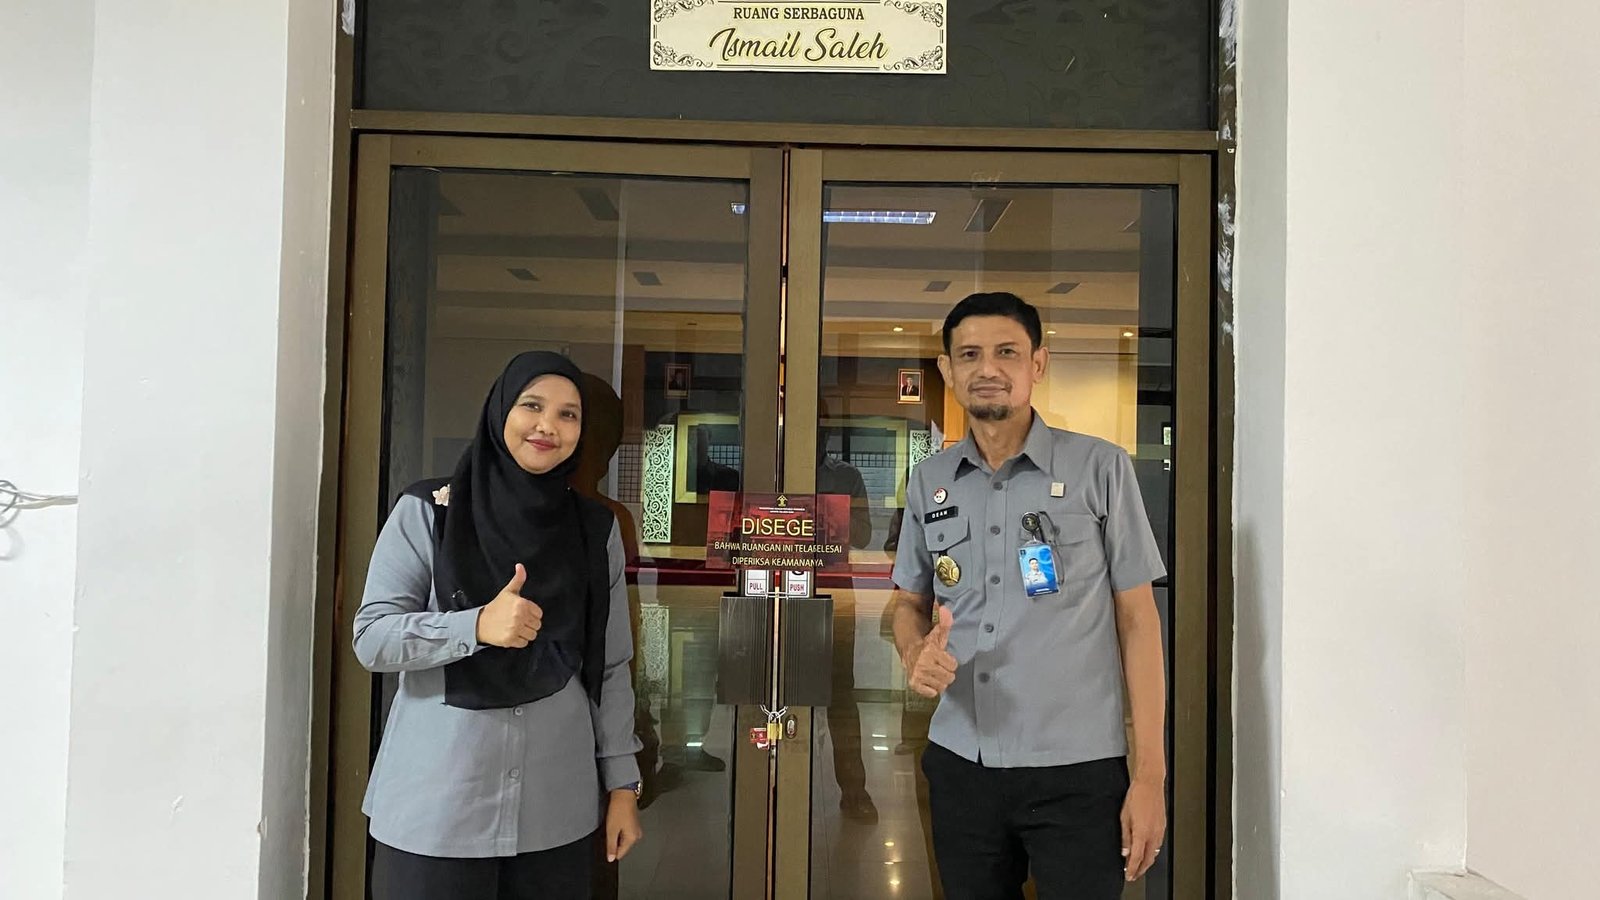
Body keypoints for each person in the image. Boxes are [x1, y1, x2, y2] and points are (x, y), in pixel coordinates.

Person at [890, 292, 1168, 898]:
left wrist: (1150, 777)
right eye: (969, 355)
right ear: (947, 370)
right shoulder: (930, 481)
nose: (987, 368)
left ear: (1038, 363)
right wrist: (913, 651)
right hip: (962, 763)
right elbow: (907, 603)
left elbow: (1138, 621)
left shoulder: (1100, 468)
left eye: (1007, 352)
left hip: (1078, 772)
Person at [353, 351, 644, 900]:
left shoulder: (594, 529)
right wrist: (475, 626)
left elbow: (610, 666)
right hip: (438, 808)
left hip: (554, 812)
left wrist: (623, 785)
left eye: (568, 415)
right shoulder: (429, 512)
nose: (547, 426)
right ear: (499, 411)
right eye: (532, 406)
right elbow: (373, 638)